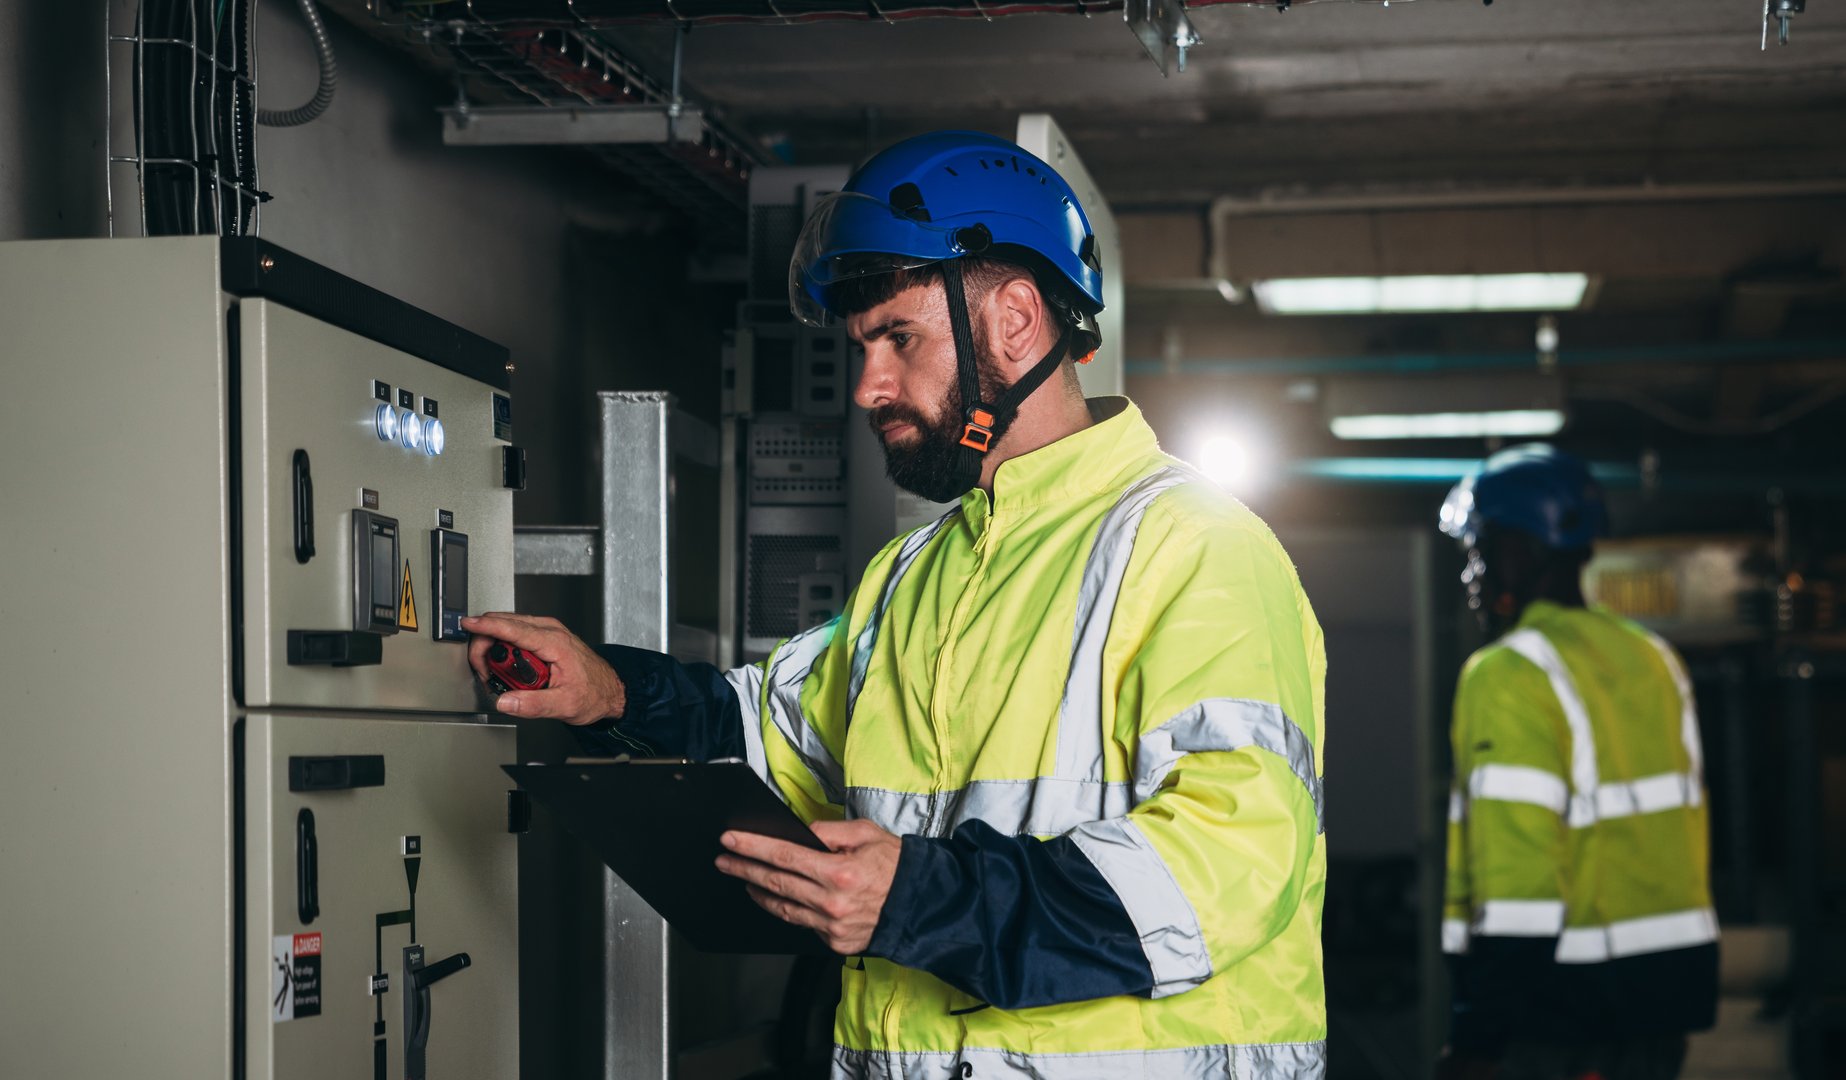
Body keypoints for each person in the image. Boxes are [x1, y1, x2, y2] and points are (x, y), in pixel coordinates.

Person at [463, 131, 1330, 1079]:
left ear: (1015, 319)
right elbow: (773, 732)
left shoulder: (1194, 546)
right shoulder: (914, 572)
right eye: (862, 347)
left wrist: (919, 899)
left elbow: (1232, 865)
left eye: (899, 338)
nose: (870, 386)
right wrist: (611, 694)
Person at [1435, 445, 1719, 1080]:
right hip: (1660, 1016)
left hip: (1556, 1023)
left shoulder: (1508, 673)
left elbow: (1519, 890)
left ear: (1523, 551)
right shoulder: (1655, 660)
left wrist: (1476, 1039)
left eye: (1481, 550)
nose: (1472, 572)